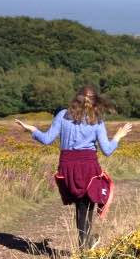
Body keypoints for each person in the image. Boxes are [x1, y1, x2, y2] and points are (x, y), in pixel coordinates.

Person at [14, 85, 132, 249]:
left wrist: (33, 129)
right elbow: (107, 150)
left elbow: (47, 139)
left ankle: (85, 242)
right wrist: (118, 136)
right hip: (88, 166)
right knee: (88, 205)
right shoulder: (97, 120)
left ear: (76, 98)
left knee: (80, 206)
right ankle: (84, 244)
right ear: (95, 101)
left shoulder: (63, 115)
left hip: (67, 166)